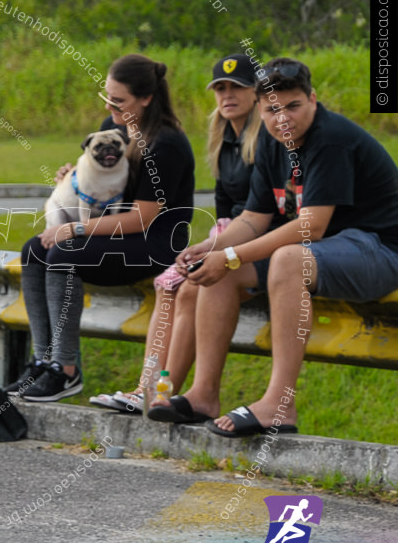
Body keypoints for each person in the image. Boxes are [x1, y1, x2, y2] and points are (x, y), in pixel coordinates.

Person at [161, 58, 398, 436]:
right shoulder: (273, 143)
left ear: (313, 100)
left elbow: (312, 226)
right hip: (332, 252)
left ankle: (279, 404)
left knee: (288, 259)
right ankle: (203, 394)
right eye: (272, 109)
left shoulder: (331, 139)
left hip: (380, 250)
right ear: (259, 107)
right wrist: (212, 246)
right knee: (221, 273)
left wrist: (233, 255)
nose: (282, 117)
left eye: (293, 106)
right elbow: (254, 219)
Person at [87, 54, 270, 414]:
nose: (227, 95)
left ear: (256, 94)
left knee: (186, 289)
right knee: (168, 285)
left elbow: (262, 212)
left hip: (258, 239)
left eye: (237, 87)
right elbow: (225, 207)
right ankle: (148, 391)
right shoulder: (223, 137)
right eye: (220, 88)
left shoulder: (265, 137)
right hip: (229, 234)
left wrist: (218, 247)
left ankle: (159, 392)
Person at [8, 54, 195, 402]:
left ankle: (66, 369)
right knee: (33, 250)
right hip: (117, 234)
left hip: (154, 242)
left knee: (64, 253)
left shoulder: (166, 143)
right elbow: (94, 181)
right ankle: (43, 360)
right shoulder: (117, 128)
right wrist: (72, 177)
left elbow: (143, 218)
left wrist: (78, 229)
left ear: (146, 99)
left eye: (118, 100)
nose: (110, 105)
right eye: (106, 97)